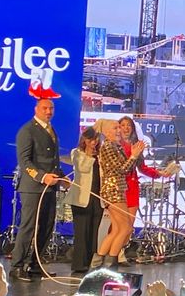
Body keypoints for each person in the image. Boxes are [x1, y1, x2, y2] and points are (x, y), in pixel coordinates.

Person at [11, 98, 64, 281]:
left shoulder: (50, 129)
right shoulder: (27, 130)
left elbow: (51, 159)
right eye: (45, 108)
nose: (48, 111)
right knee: (29, 227)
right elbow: (25, 162)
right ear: (36, 109)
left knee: (47, 226)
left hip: (50, 187)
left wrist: (61, 177)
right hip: (33, 187)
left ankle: (35, 263)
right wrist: (42, 176)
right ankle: (17, 266)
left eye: (51, 108)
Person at [116, 116, 171, 265]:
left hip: (132, 187)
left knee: (128, 227)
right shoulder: (115, 145)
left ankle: (120, 252)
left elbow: (142, 168)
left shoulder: (136, 145)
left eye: (129, 125)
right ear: (118, 127)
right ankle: (116, 254)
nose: (126, 128)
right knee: (118, 226)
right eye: (123, 125)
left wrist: (160, 173)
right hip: (119, 188)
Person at [94, 120, 145, 269]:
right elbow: (121, 170)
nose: (119, 130)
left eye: (119, 127)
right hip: (113, 190)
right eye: (115, 128)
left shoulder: (117, 147)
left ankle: (98, 264)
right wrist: (134, 156)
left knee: (117, 229)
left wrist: (134, 154)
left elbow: (127, 169)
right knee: (125, 229)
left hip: (118, 189)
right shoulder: (108, 147)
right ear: (107, 132)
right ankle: (110, 265)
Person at [64, 127, 104, 272]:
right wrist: (89, 154)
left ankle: (91, 263)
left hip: (97, 197)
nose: (93, 142)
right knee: (82, 232)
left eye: (95, 139)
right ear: (84, 140)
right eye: (90, 139)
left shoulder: (100, 154)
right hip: (81, 198)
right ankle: (79, 264)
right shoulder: (77, 153)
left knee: (94, 232)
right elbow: (83, 168)